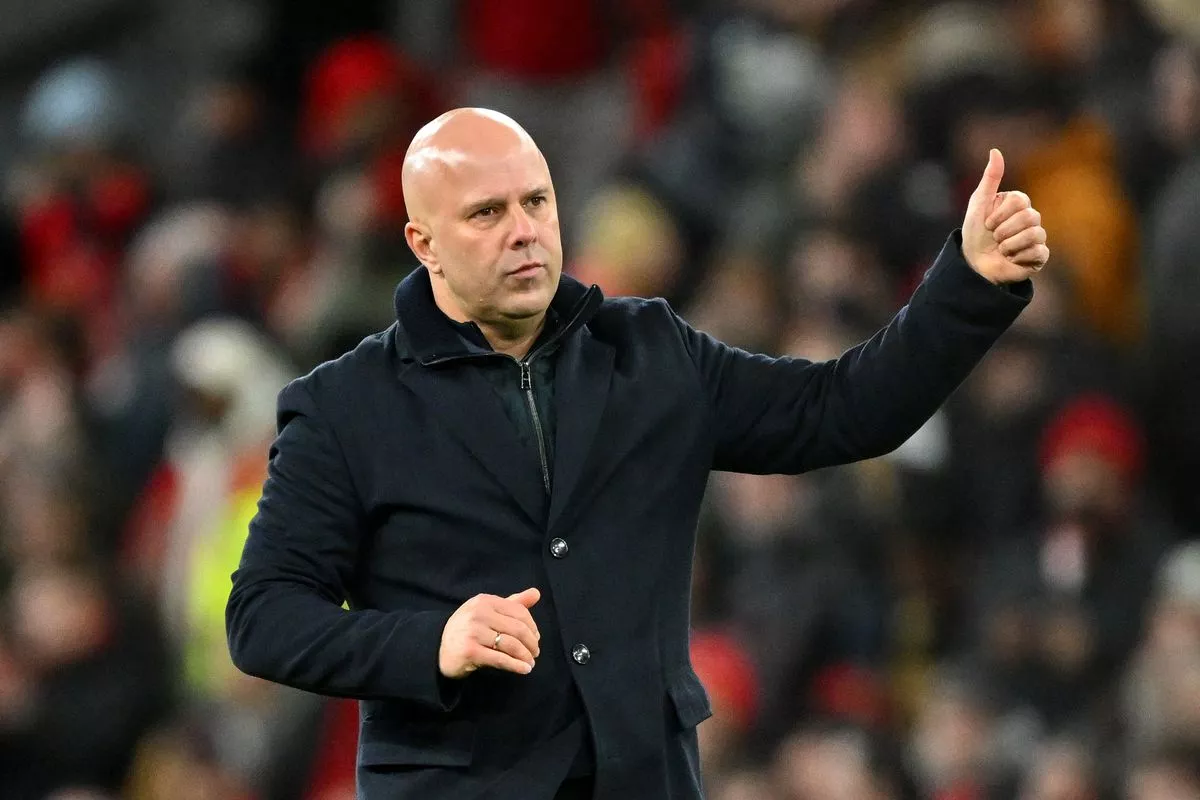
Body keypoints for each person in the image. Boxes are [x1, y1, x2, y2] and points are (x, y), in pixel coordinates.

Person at [225, 107, 1049, 799]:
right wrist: (428, 643)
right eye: (486, 214)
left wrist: (966, 284)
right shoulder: (345, 406)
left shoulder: (651, 353)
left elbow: (842, 411)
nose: (524, 234)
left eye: (537, 203)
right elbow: (262, 617)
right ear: (423, 241)